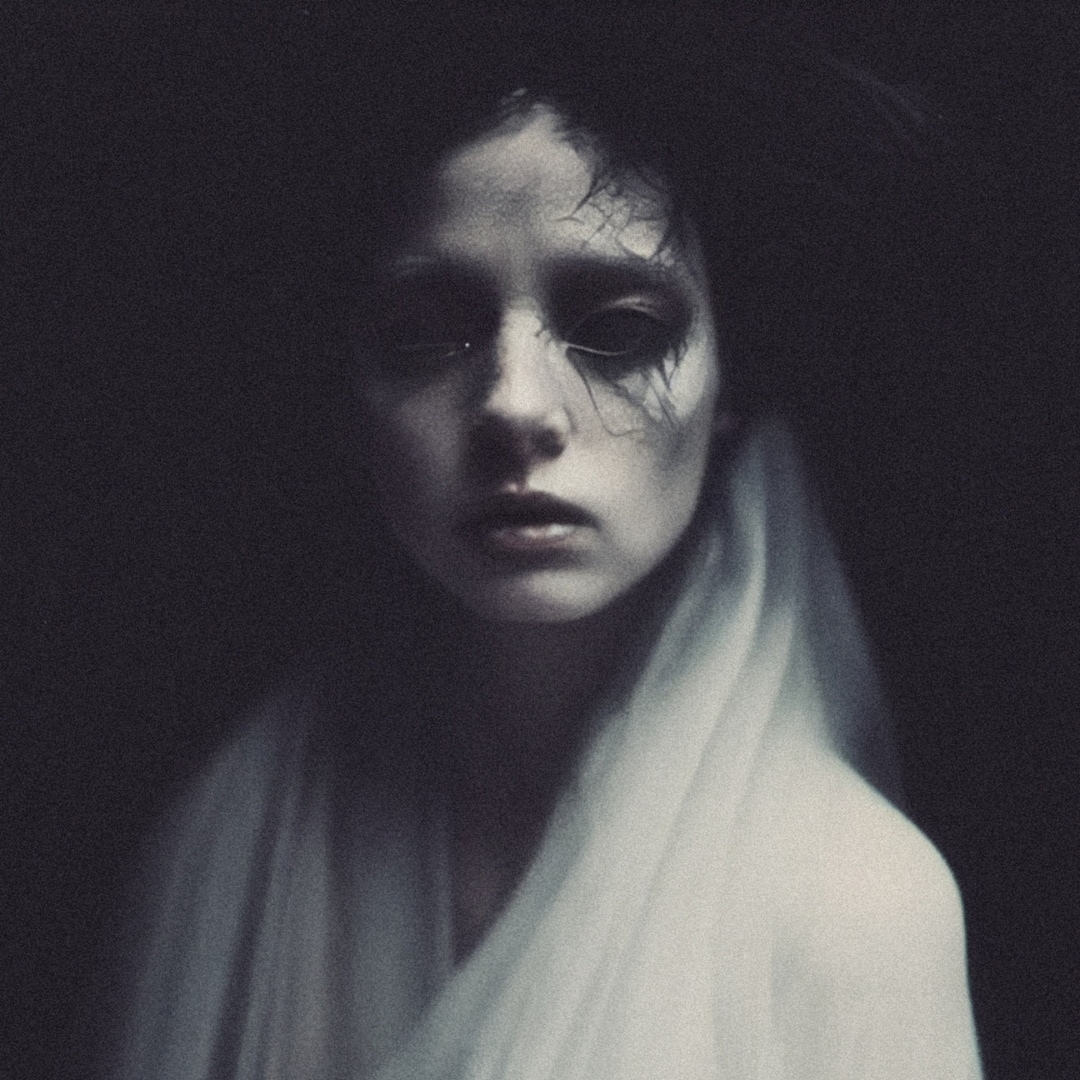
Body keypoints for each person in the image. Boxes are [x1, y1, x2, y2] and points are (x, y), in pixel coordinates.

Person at [103, 6, 983, 1078]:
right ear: (345, 393)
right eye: (424, 334)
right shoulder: (226, 844)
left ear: (732, 382)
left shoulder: (859, 909)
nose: (516, 406)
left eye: (619, 330)